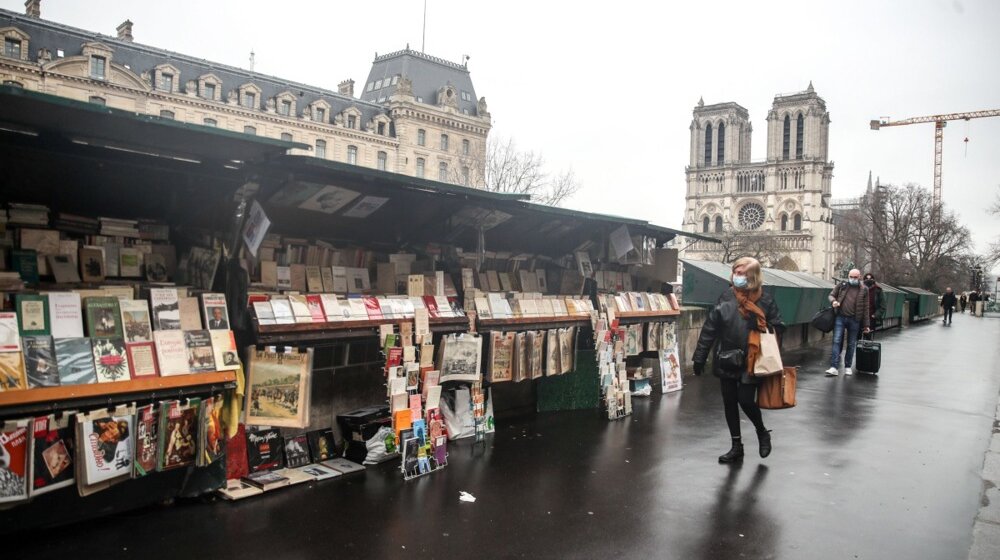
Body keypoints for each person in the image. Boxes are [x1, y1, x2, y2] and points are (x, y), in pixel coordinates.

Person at [692, 257, 784, 464]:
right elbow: (710, 328)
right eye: (735, 271)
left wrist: (761, 326)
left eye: (742, 273)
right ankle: (736, 446)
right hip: (727, 357)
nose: (737, 276)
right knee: (729, 402)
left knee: (745, 400)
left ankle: (761, 431)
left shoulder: (765, 300)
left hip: (752, 360)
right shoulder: (726, 296)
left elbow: (779, 327)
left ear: (753, 276)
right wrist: (700, 357)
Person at [826, 269, 870, 376]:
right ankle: (834, 367)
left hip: (855, 319)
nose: (853, 279)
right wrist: (834, 301)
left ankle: (847, 366)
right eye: (851, 277)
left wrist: (866, 325)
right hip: (840, 317)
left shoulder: (864, 289)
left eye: (855, 277)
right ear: (848, 276)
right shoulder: (842, 285)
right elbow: (831, 295)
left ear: (859, 277)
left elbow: (866, 308)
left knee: (851, 344)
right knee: (836, 341)